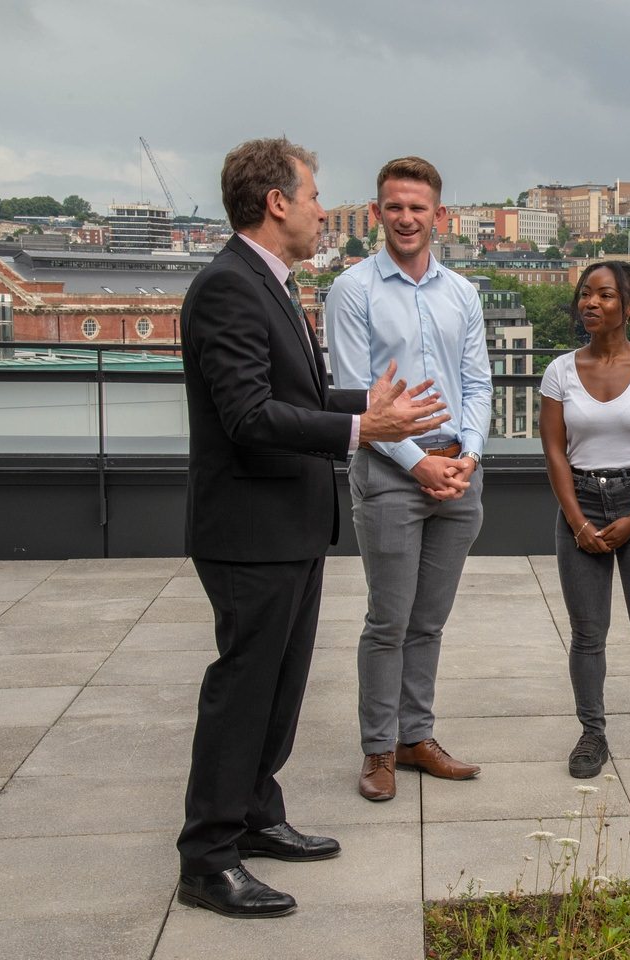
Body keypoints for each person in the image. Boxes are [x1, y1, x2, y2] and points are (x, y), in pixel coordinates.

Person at [177, 137, 447, 918]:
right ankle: (208, 857)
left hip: (287, 524)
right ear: (276, 203)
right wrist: (363, 430)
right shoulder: (229, 287)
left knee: (278, 689)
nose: (324, 209)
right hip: (249, 529)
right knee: (243, 689)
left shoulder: (271, 282)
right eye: (314, 194)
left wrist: (365, 408)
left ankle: (256, 815)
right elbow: (249, 416)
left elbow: (294, 394)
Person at [328, 156, 492, 802]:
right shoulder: (352, 291)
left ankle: (414, 737)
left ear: (438, 216)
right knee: (388, 621)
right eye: (393, 207)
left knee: (429, 621)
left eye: (417, 207)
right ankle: (377, 750)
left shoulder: (463, 294)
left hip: (456, 470)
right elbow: (351, 397)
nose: (405, 218)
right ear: (376, 214)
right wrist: (417, 462)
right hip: (392, 472)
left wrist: (468, 457)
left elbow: (477, 383)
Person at [539, 261, 630, 779]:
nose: (590, 303)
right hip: (579, 501)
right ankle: (592, 734)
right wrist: (578, 522)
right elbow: (555, 454)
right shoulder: (558, 371)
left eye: (603, 295)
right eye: (585, 295)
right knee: (587, 634)